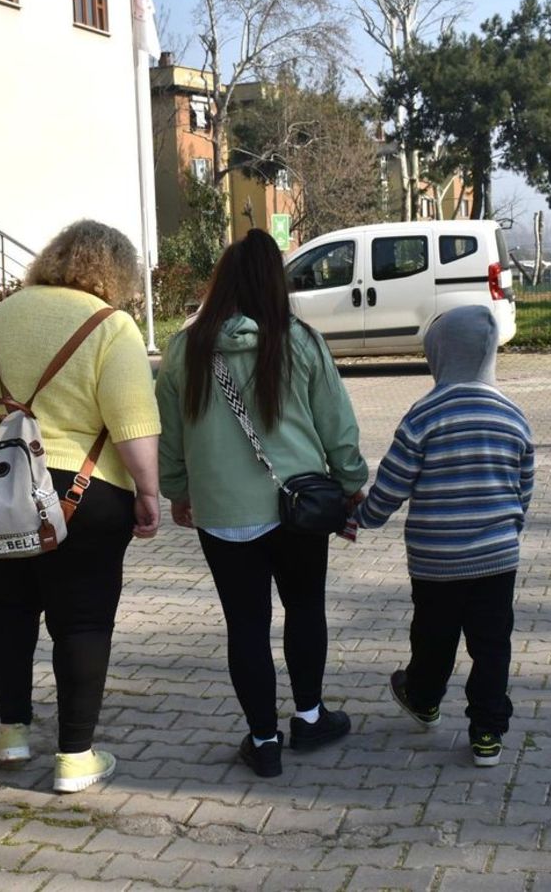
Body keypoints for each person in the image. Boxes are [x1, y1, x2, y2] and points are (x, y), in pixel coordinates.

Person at [0, 219, 161, 792]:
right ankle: (75, 757)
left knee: (6, 610)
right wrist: (149, 491)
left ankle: (12, 733)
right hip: (83, 494)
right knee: (82, 620)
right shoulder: (111, 326)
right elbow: (131, 419)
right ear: (118, 273)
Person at [156, 228, 368, 778]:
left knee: (246, 624)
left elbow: (169, 436)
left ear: (221, 282)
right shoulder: (301, 341)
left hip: (222, 512)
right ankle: (311, 717)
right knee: (305, 608)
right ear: (277, 283)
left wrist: (177, 490)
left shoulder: (184, 350)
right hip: (300, 507)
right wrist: (351, 482)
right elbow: (337, 425)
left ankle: (263, 740)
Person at [353, 305, 534, 766]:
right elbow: (524, 486)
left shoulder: (424, 416)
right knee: (492, 645)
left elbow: (393, 483)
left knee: (434, 636)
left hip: (436, 561)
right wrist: (509, 530)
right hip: (497, 559)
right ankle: (488, 732)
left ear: (440, 355)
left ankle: (424, 698)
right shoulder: (513, 415)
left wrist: (364, 517)